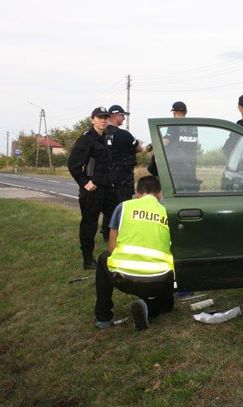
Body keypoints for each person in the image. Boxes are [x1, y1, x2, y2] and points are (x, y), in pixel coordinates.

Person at [94, 175, 175, 331]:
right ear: (159, 194)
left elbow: (112, 246)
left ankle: (103, 317)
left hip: (125, 280)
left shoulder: (123, 208)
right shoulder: (167, 212)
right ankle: (150, 307)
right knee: (166, 307)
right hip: (159, 280)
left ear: (137, 194)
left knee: (103, 257)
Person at [68, 107, 117, 269]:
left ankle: (115, 252)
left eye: (105, 117)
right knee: (90, 224)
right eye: (99, 117)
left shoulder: (105, 137)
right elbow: (73, 165)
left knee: (115, 219)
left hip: (107, 187)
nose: (103, 120)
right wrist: (85, 183)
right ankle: (88, 260)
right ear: (92, 119)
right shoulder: (86, 139)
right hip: (92, 189)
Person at [106, 104, 143, 203]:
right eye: (122, 115)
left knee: (108, 211)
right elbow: (139, 148)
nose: (124, 118)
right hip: (123, 179)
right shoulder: (124, 134)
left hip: (105, 179)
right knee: (123, 209)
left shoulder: (101, 134)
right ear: (116, 115)